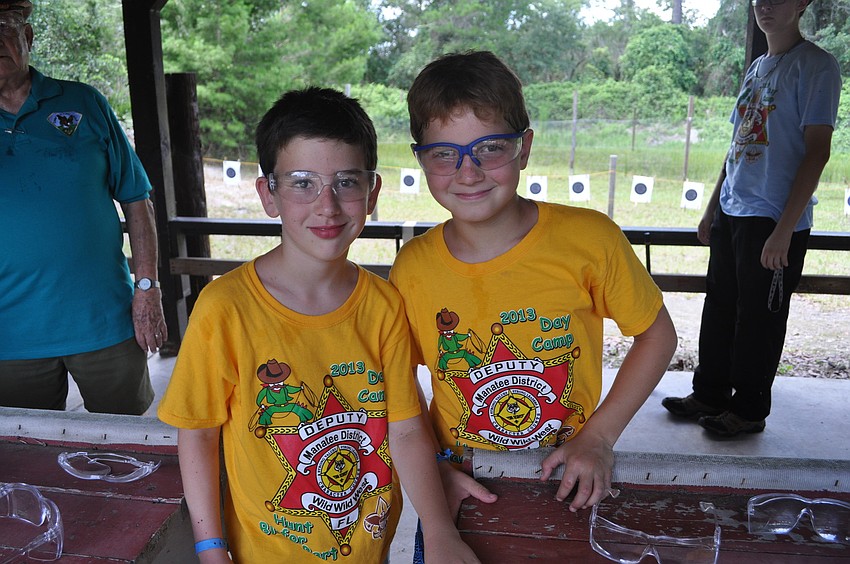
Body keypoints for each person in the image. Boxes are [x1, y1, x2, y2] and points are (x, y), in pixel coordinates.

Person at [157, 87, 478, 563]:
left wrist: (438, 529)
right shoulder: (225, 307)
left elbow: (406, 429)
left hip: (368, 550)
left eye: (346, 182)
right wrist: (210, 548)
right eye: (302, 182)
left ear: (371, 193)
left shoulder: (384, 305)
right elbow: (198, 432)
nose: (327, 206)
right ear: (269, 195)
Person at [388, 50, 678, 556]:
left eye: (490, 148)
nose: (468, 172)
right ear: (421, 159)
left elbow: (657, 335)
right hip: (458, 493)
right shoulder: (412, 267)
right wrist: (435, 470)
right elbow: (399, 386)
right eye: (444, 153)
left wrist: (599, 437)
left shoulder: (590, 239)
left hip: (571, 483)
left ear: (523, 148)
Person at [662, 0, 841, 437]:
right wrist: (712, 207)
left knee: (760, 317)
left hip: (773, 216)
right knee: (720, 306)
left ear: (802, 4)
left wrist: (784, 229)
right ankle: (709, 393)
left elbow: (818, 151)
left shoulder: (816, 66)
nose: (766, 7)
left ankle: (748, 409)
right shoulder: (757, 67)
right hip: (733, 208)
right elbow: (737, 144)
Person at [0, 0, 165, 414]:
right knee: (25, 446)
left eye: (4, 27)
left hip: (103, 320)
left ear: (27, 36)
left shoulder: (83, 102)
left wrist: (147, 288)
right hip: (10, 332)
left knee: (125, 435)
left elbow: (136, 199)